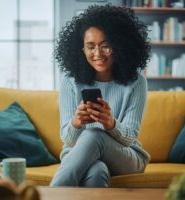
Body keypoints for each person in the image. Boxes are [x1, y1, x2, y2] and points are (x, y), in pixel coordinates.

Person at [50, 4, 151, 187]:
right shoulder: (70, 81)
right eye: (90, 47)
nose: (97, 54)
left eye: (105, 46)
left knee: (95, 134)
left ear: (119, 46)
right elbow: (69, 140)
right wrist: (76, 122)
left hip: (125, 157)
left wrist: (110, 124)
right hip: (78, 155)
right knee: (97, 172)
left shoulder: (137, 82)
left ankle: (49, 196)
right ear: (82, 50)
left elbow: (129, 137)